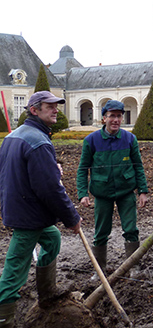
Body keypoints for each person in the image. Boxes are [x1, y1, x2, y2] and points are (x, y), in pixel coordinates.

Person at [0, 91, 81, 327]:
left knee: (52, 238)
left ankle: (47, 293)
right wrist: (71, 218)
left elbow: (22, 171)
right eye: (49, 106)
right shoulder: (38, 141)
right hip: (29, 214)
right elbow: (50, 189)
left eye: (57, 106)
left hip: (19, 207)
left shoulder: (15, 136)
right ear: (34, 110)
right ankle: (5, 318)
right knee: (15, 269)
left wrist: (51, 168)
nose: (56, 110)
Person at [76, 100, 149, 272]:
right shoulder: (91, 141)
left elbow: (138, 165)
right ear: (104, 119)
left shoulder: (129, 139)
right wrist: (82, 193)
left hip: (126, 191)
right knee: (101, 232)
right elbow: (82, 168)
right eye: (111, 116)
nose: (116, 120)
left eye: (119, 116)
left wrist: (143, 191)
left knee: (131, 229)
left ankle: (133, 267)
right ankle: (99, 270)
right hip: (102, 193)